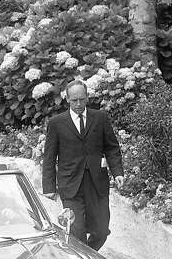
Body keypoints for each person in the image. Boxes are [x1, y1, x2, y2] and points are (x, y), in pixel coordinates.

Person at [40, 79, 124, 250]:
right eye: (74, 100)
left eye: (82, 99)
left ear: (87, 97)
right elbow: (49, 157)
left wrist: (118, 173)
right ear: (67, 100)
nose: (78, 104)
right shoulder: (56, 123)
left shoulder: (100, 118)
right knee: (77, 232)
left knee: (101, 231)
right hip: (70, 185)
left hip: (96, 184)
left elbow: (112, 148)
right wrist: (49, 186)